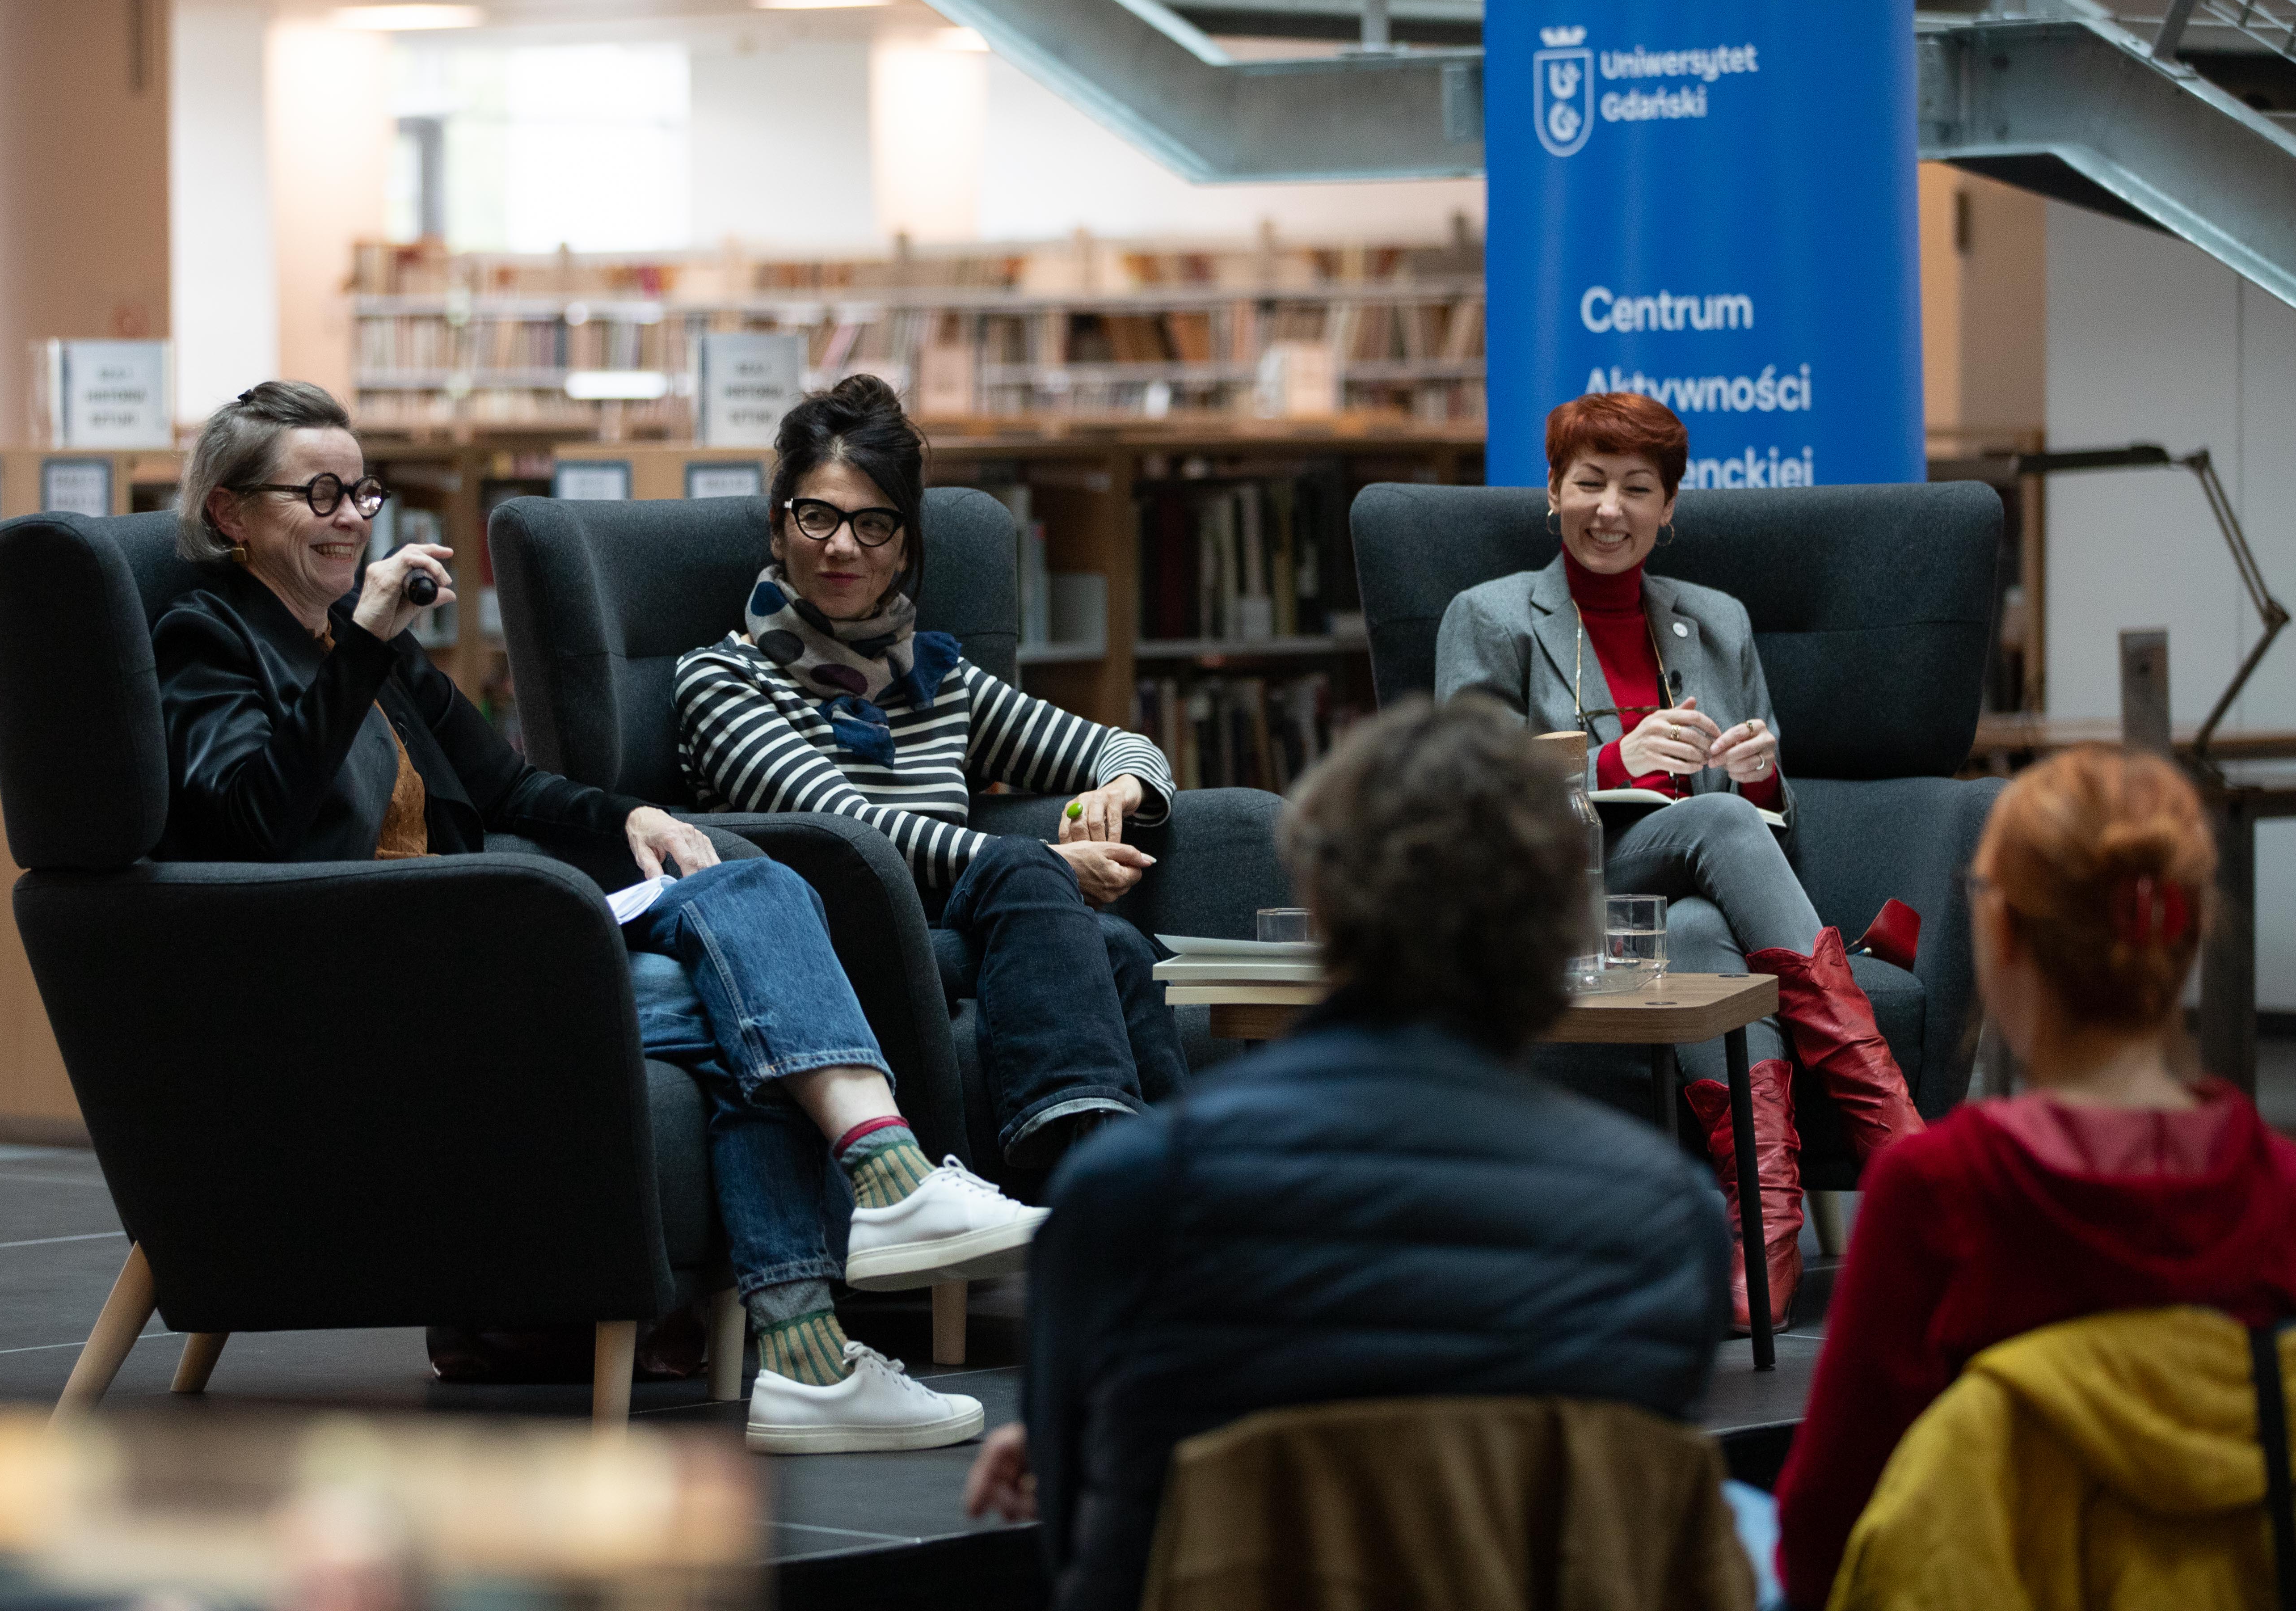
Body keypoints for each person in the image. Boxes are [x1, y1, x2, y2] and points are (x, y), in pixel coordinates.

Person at [153, 379, 1044, 1454]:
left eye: (362, 493)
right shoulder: (209, 639)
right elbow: (250, 817)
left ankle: (826, 1322)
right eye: (321, 495)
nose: (351, 519)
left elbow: (510, 789)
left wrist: (634, 816)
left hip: (455, 938)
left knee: (755, 907)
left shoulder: (363, 647)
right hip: (355, 969)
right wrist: (367, 644)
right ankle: (862, 1240)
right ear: (230, 513)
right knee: (746, 997)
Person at [963, 695, 1730, 1611]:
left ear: (1319, 904)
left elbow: (1074, 1518)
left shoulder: (1126, 1193)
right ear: (1568, 931)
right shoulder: (1671, 1222)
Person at [1434, 390, 1923, 1330]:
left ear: (1668, 510)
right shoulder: (1489, 617)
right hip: (1555, 893)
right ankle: (1896, 1140)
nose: (1608, 509)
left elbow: (1769, 817)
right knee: (1722, 829)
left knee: (1700, 925)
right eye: (1588, 483)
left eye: (1636, 488)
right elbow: (1469, 790)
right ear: (1552, 492)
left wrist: (1759, 774)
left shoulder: (1717, 621)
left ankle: (1765, 1230)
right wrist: (1613, 763)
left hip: (1690, 892)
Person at [1774, 744, 2296, 1609]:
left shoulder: (1937, 1198)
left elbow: (1827, 1529)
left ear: (2003, 937)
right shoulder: (2280, 1195)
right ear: (2185, 932)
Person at [674, 374, 1186, 1172]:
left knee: (1118, 944)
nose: (843, 546)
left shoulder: (936, 681)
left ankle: (1168, 1195)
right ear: (779, 529)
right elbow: (845, 829)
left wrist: (1121, 791)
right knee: (1037, 883)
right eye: (818, 516)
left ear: (905, 546)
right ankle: (1078, 1164)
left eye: (873, 523)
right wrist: (1047, 863)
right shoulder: (720, 680)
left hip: (964, 928)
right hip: (829, 947)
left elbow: (1125, 747)